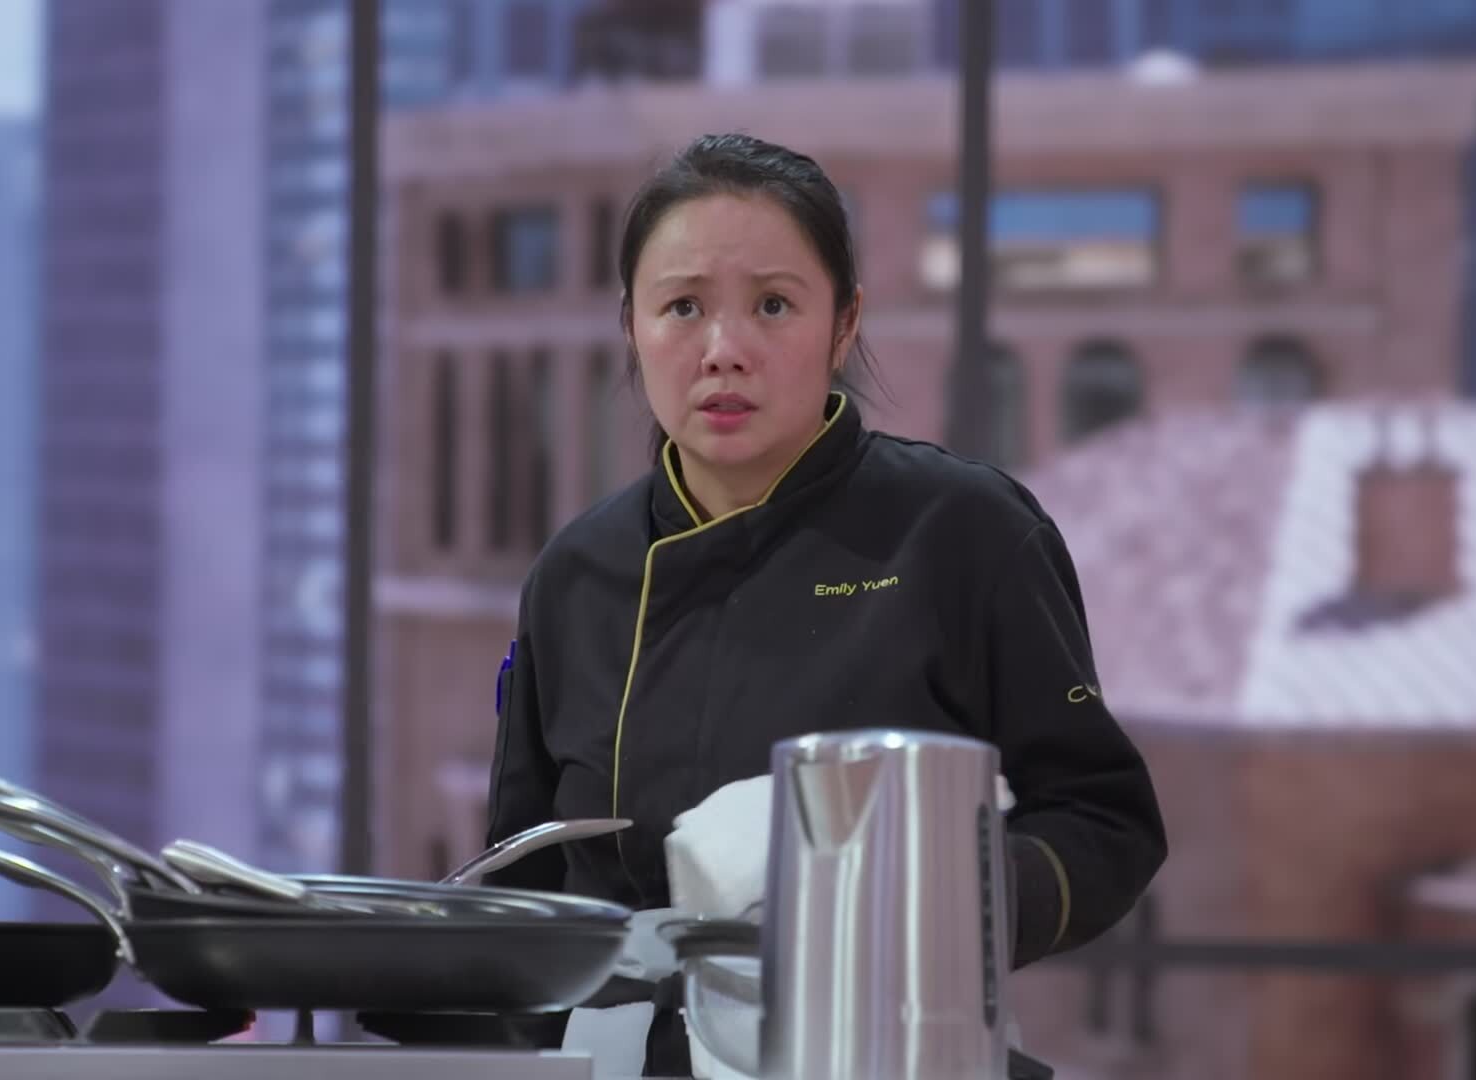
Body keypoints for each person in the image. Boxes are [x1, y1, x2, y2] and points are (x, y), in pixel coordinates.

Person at [484, 132, 1166, 1074]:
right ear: (632, 328)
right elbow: (521, 888)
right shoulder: (574, 574)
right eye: (682, 307)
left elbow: (1105, 822)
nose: (725, 351)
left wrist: (938, 913)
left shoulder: (963, 530)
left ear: (844, 325)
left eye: (773, 305)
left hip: (891, 1049)